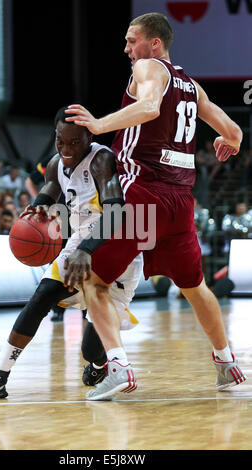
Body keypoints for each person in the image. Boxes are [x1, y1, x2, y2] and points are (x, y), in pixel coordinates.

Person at [63, 12, 247, 400]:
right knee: (195, 287)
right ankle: (227, 363)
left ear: (154, 44)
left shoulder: (149, 67)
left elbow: (147, 108)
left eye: (132, 41)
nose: (127, 49)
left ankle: (118, 368)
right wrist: (226, 143)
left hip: (142, 194)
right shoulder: (192, 86)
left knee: (90, 278)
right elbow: (234, 132)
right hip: (180, 201)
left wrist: (98, 125)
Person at [0, 107, 143, 399]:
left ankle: (100, 364)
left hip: (115, 247)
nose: (67, 148)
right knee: (42, 296)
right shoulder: (57, 162)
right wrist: (39, 205)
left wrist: (86, 249)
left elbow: (115, 212)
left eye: (74, 142)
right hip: (79, 243)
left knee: (90, 349)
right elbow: (52, 187)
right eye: (61, 141)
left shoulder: (102, 159)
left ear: (89, 136)